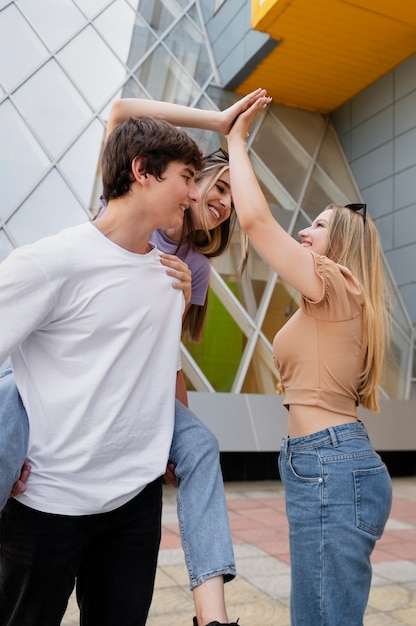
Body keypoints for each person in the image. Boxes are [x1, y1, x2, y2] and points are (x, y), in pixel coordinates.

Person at [1, 91, 264, 626]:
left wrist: (166, 440)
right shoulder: (53, 261)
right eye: (191, 179)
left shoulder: (183, 274)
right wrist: (219, 122)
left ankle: (211, 615)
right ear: (143, 172)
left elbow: (165, 368)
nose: (197, 196)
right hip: (49, 504)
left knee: (200, 444)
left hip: (131, 508)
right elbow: (120, 112)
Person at [225, 92, 393, 625]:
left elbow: (254, 220)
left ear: (339, 246)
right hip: (328, 463)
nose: (304, 231)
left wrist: (235, 139)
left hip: (329, 466)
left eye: (317, 226)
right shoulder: (330, 301)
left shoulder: (334, 283)